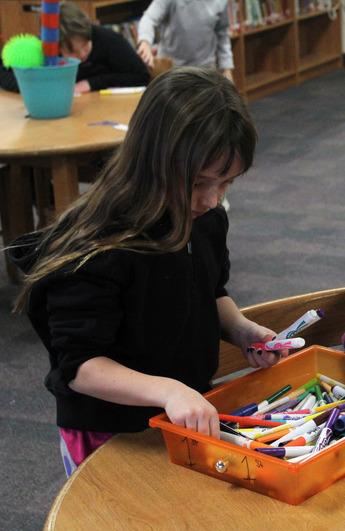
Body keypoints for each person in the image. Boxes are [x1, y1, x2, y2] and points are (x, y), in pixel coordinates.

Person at [9, 67, 282, 475]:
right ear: (151, 161)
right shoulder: (98, 244)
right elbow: (79, 366)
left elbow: (212, 291)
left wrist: (242, 330)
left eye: (226, 183)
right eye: (197, 183)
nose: (212, 199)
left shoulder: (205, 218)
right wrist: (168, 391)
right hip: (110, 431)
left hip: (181, 412)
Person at [0, 1, 150, 94]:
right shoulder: (45, 47)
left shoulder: (108, 40)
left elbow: (141, 76)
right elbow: (3, 74)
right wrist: (36, 87)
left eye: (85, 46)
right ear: (57, 49)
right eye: (72, 51)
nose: (82, 55)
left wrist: (92, 84)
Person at [136, 0, 234, 82]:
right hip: (171, 70)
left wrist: (226, 68)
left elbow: (222, 34)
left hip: (204, 70)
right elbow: (149, 18)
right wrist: (145, 41)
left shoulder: (221, 1)